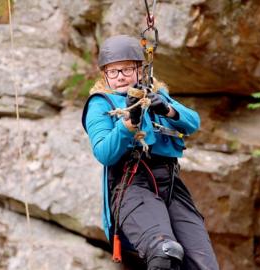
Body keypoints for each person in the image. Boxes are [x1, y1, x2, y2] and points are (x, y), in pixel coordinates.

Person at [82, 35, 219, 270]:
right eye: (113, 71)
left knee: (204, 265)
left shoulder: (156, 94)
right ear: (105, 74)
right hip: (131, 185)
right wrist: (127, 125)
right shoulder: (101, 104)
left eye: (126, 69)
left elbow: (193, 123)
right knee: (165, 252)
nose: (121, 76)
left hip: (171, 185)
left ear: (139, 70)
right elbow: (104, 153)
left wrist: (167, 109)